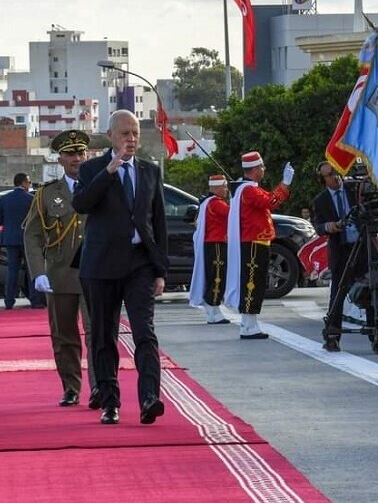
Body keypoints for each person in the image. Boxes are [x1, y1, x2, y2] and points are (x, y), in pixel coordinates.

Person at [71, 109, 169, 426]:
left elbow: (159, 224)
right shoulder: (92, 169)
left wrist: (160, 271)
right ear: (110, 136)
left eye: (135, 133)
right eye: (124, 133)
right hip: (101, 265)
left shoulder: (150, 171)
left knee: (145, 332)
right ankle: (110, 401)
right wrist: (109, 171)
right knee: (103, 335)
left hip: (139, 263)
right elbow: (81, 204)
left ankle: (149, 398)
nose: (130, 139)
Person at [23, 130, 98, 408]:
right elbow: (31, 235)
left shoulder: (100, 184)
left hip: (95, 273)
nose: (77, 158)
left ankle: (100, 386)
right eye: (70, 154)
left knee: (97, 333)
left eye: (81, 153)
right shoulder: (47, 193)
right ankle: (70, 387)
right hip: (60, 272)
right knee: (64, 335)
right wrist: (37, 272)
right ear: (60, 158)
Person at [225, 151, 294, 339]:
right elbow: (271, 202)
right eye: (261, 167)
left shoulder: (249, 188)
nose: (263, 170)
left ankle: (250, 323)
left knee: (256, 282)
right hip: (253, 242)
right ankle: (248, 324)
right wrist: (285, 184)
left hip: (257, 241)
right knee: (252, 283)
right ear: (254, 169)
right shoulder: (249, 190)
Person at [311, 161, 366, 352]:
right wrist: (330, 226)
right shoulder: (321, 200)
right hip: (341, 250)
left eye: (336, 172)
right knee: (338, 293)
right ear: (322, 180)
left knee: (372, 286)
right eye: (329, 174)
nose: (335, 176)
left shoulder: (354, 189)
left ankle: (376, 327)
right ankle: (333, 336)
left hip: (362, 247)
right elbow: (318, 226)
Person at [188, 175, 231, 325]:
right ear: (217, 187)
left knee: (215, 276)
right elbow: (233, 214)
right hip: (217, 244)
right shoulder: (217, 203)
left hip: (212, 244)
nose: (226, 189)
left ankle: (213, 311)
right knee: (218, 277)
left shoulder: (207, 202)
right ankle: (212, 306)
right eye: (224, 186)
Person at [0, 172, 40, 309]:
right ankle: (35, 301)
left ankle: (9, 301)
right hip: (28, 240)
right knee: (32, 270)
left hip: (10, 239)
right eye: (29, 182)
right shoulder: (31, 199)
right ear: (24, 183)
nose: (30, 185)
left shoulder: (4, 199)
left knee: (12, 271)